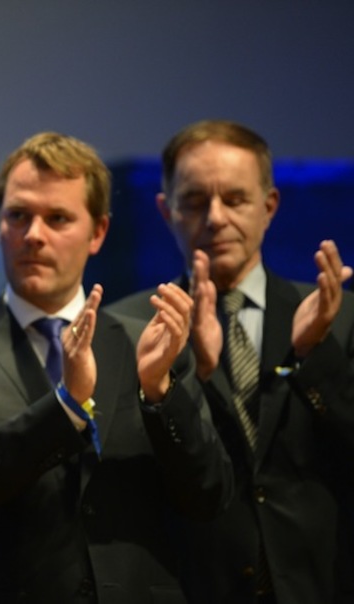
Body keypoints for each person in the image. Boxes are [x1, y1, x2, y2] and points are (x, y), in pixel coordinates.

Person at [0, 132, 233, 602]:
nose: (33, 235)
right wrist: (65, 406)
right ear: (0, 225)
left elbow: (209, 495)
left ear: (98, 232)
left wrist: (160, 393)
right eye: (18, 215)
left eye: (57, 218)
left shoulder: (150, 344)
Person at [109, 119, 354, 604]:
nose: (216, 218)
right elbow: (131, 486)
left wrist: (312, 354)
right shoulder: (128, 329)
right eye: (196, 201)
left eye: (236, 199)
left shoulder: (339, 319)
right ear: (166, 211)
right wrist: (196, 376)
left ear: (269, 207)